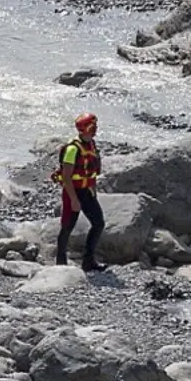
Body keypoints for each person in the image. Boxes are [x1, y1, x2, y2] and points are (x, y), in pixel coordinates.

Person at [50, 112, 107, 271]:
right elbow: (67, 177)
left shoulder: (92, 145)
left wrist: (93, 190)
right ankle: (60, 264)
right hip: (73, 192)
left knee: (98, 223)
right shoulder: (72, 149)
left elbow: (92, 170)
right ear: (84, 129)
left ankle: (88, 261)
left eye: (95, 126)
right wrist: (74, 200)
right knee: (67, 226)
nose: (95, 129)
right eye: (92, 126)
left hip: (87, 191)